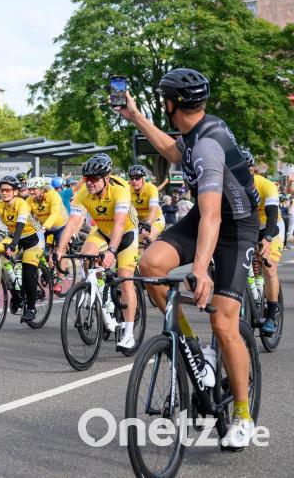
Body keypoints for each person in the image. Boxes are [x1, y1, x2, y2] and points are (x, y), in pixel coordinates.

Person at [118, 68, 258, 449]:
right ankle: (194, 348)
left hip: (237, 226)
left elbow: (213, 215)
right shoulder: (196, 133)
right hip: (207, 218)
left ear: (170, 104)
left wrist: (200, 269)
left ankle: (243, 416)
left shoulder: (209, 147)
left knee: (225, 322)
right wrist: (134, 116)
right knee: (149, 266)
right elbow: (172, 151)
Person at [55, 154, 140, 350]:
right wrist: (59, 250)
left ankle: (128, 333)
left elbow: (119, 223)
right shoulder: (84, 192)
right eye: (86, 178)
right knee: (86, 256)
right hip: (102, 230)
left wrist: (111, 251)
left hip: (125, 232)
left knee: (125, 281)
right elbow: (73, 222)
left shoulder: (120, 190)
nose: (89, 182)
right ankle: (101, 291)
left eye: (94, 178)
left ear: (106, 179)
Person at [0, 175, 43, 321]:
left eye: (8, 190)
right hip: (14, 236)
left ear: (15, 192)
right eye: (2, 190)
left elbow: (20, 226)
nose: (4, 193)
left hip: (32, 239)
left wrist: (13, 245)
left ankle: (31, 308)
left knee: (28, 272)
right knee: (0, 256)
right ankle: (16, 293)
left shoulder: (22, 204)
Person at [243, 148, 283, 335]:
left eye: (245, 169)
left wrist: (267, 239)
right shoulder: (231, 186)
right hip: (248, 227)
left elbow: (272, 216)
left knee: (269, 267)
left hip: (271, 226)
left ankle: (272, 314)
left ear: (253, 170)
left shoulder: (266, 185)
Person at [26, 176, 69, 293]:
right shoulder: (30, 200)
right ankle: (46, 269)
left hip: (60, 226)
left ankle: (59, 281)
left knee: (60, 251)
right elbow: (25, 215)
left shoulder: (53, 195)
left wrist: (45, 227)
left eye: (34, 189)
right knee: (40, 251)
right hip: (43, 227)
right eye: (29, 189)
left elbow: (54, 214)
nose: (31, 192)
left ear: (42, 189)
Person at [128, 164, 165, 243]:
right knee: (136, 242)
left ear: (143, 179)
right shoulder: (127, 189)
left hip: (155, 219)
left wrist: (148, 225)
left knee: (149, 237)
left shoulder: (151, 188)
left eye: (137, 178)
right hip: (138, 221)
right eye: (132, 178)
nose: (134, 181)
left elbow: (153, 210)